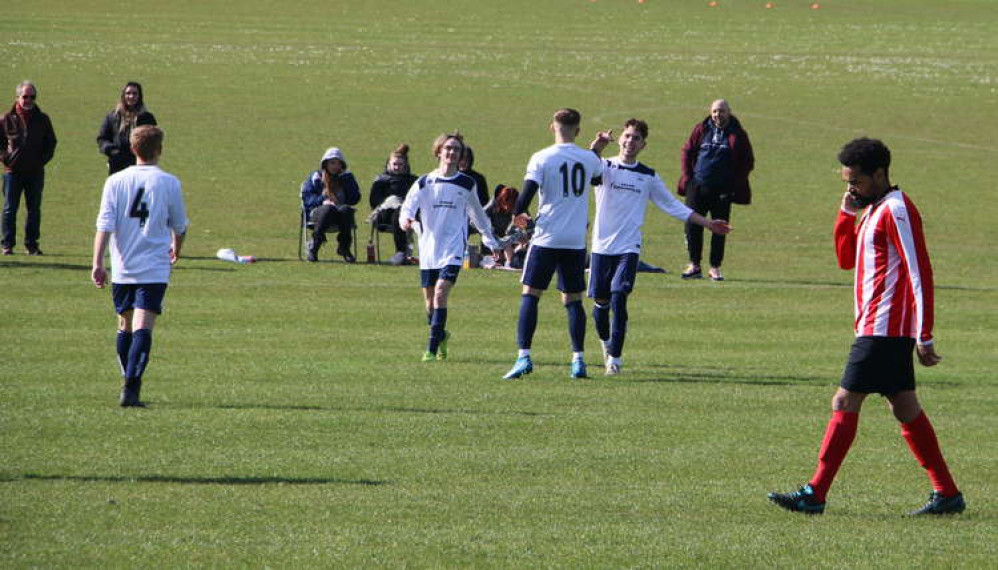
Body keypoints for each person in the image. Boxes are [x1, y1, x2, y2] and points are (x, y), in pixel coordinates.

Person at [768, 138, 965, 516]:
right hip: (875, 328)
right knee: (905, 407)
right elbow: (847, 260)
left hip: (884, 329)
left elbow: (920, 270)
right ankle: (947, 493)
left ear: (879, 174)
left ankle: (815, 493)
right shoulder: (873, 209)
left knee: (844, 401)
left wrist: (925, 334)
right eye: (846, 181)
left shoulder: (897, 209)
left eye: (855, 181)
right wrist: (845, 214)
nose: (850, 187)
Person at [589, 119, 731, 376]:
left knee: (619, 298)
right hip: (601, 247)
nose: (630, 142)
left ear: (644, 145)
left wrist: (708, 223)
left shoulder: (648, 176)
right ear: (620, 138)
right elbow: (587, 170)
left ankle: (615, 360)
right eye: (627, 136)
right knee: (601, 304)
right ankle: (606, 343)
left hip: (628, 248)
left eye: (636, 139)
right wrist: (596, 148)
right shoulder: (606, 166)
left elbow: (675, 207)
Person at [91, 125, 189, 407]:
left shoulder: (115, 181)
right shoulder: (169, 182)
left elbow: (104, 225)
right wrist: (176, 249)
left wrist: (97, 262)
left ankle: (128, 381)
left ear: (133, 149)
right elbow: (180, 225)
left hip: (122, 264)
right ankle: (131, 388)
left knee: (125, 324)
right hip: (154, 266)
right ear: (159, 149)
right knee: (143, 325)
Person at [502, 108, 603, 380]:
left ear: (552, 127)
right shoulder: (588, 158)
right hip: (574, 240)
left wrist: (521, 219)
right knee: (572, 300)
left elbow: (522, 202)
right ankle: (578, 360)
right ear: (578, 131)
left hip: (547, 237)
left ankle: (524, 357)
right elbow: (597, 178)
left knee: (530, 295)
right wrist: (595, 150)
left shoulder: (541, 158)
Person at [399, 132, 500, 362]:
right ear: (439, 152)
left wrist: (490, 240)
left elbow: (478, 215)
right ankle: (441, 335)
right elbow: (407, 207)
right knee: (429, 301)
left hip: (453, 248)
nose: (452, 153)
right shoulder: (424, 182)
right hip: (428, 249)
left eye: (456, 150)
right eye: (448, 149)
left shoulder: (466, 183)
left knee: (440, 292)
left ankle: (431, 349)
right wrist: (405, 220)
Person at [676, 99, 754, 281]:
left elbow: (747, 161)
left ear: (729, 112)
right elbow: (687, 151)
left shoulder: (738, 133)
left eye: (722, 111)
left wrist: (735, 183)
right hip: (698, 186)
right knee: (692, 225)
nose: (718, 115)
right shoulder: (701, 129)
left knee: (720, 228)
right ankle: (694, 265)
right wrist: (688, 178)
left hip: (723, 190)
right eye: (715, 111)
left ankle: (715, 267)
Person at [1, 80, 57, 256]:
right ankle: (7, 245)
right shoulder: (6, 119)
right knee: (10, 208)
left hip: (35, 172)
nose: (29, 100)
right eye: (25, 96)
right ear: (18, 97)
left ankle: (32, 245)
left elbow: (51, 143)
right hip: (13, 172)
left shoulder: (42, 119)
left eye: (32, 97)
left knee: (34, 209)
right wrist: (6, 159)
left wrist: (41, 161)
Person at [301, 147, 360, 262]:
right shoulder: (316, 177)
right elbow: (307, 199)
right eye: (332, 163)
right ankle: (315, 246)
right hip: (318, 213)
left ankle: (344, 247)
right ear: (325, 164)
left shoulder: (347, 177)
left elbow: (355, 199)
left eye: (338, 163)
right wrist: (322, 200)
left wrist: (347, 181)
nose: (335, 166)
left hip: (340, 214)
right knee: (328, 208)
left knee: (346, 210)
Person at [368, 143, 417, 265]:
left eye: (400, 165)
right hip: (385, 215)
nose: (397, 167)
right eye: (394, 164)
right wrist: (391, 201)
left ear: (405, 166)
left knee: (401, 211)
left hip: (409, 216)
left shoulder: (413, 181)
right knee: (398, 209)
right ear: (389, 164)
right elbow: (374, 201)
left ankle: (405, 253)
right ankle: (400, 251)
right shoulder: (381, 180)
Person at [96, 82, 157, 175]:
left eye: (134, 93)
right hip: (117, 165)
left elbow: (154, 139)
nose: (131, 96)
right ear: (123, 95)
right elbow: (102, 138)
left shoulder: (147, 118)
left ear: (139, 96)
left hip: (140, 165)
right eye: (128, 93)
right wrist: (112, 151)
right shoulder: (113, 117)